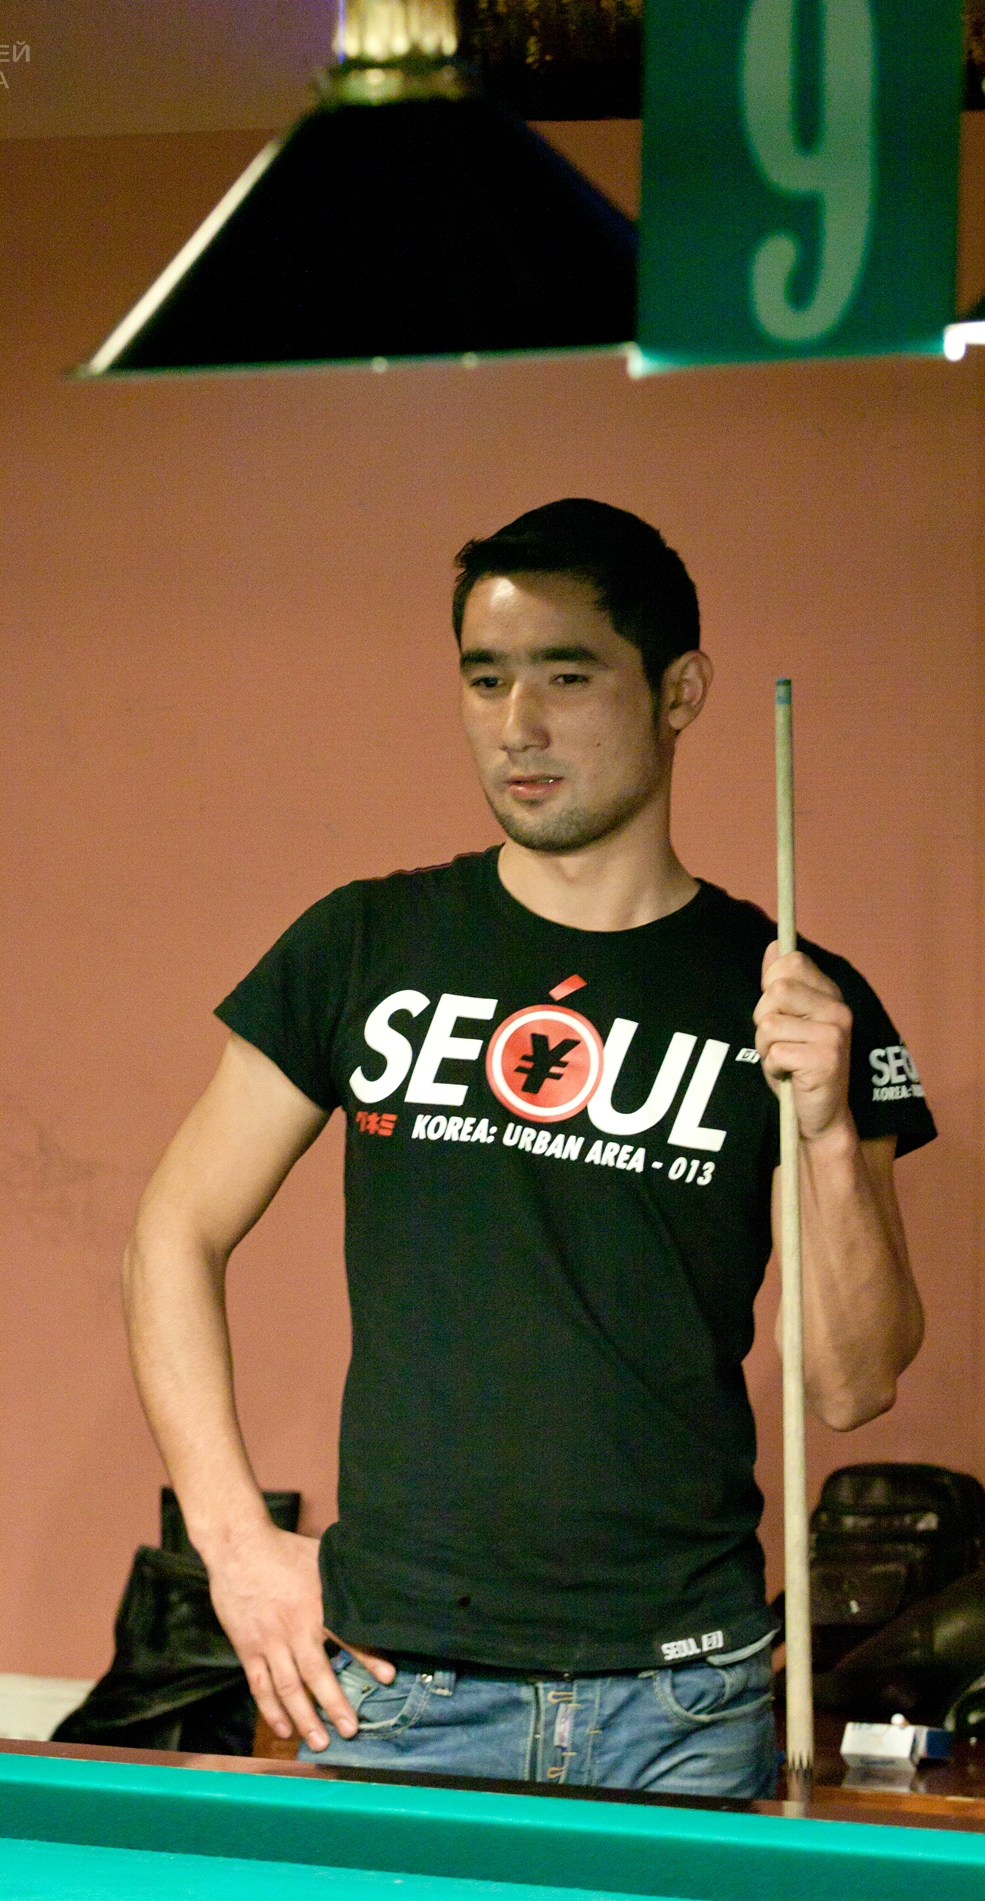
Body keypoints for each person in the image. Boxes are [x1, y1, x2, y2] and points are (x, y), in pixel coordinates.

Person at [123, 499, 933, 1796]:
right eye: (486, 678)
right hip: (401, 1686)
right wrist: (231, 1545)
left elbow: (854, 1384)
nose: (519, 725)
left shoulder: (792, 994)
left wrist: (830, 1130)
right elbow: (174, 1229)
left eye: (567, 674)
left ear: (680, 691)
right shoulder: (365, 944)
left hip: (684, 1697)